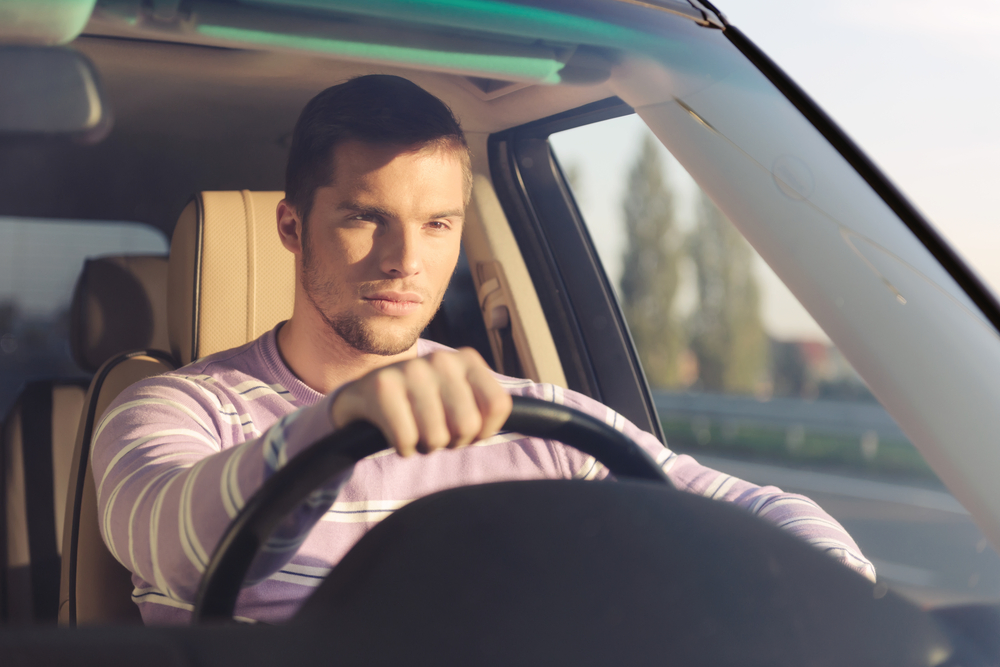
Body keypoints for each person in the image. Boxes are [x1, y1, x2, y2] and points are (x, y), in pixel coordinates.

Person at [92, 75, 875, 625]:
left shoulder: (536, 421)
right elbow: (180, 545)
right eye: (367, 218)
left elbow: (764, 515)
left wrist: (832, 613)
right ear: (292, 229)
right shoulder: (171, 408)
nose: (406, 260)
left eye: (438, 225)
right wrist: (336, 426)